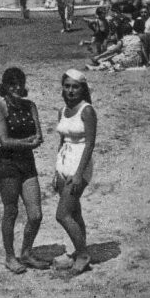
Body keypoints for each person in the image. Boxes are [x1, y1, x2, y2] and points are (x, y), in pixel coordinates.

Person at [0, 68, 48, 274]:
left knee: (36, 215)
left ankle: (26, 252)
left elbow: (39, 135)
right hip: (7, 165)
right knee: (11, 211)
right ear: (5, 86)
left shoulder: (30, 105)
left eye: (20, 84)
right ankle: (10, 257)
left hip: (27, 164)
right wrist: (28, 142)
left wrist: (28, 142)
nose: (16, 88)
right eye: (12, 84)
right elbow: (5, 142)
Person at [53, 70, 97, 276]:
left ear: (83, 89)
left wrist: (79, 173)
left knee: (62, 215)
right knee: (74, 212)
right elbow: (62, 141)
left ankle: (83, 255)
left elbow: (90, 144)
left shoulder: (87, 111)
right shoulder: (62, 110)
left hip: (79, 164)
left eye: (75, 86)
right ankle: (79, 251)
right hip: (63, 163)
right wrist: (56, 171)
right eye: (67, 86)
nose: (71, 90)